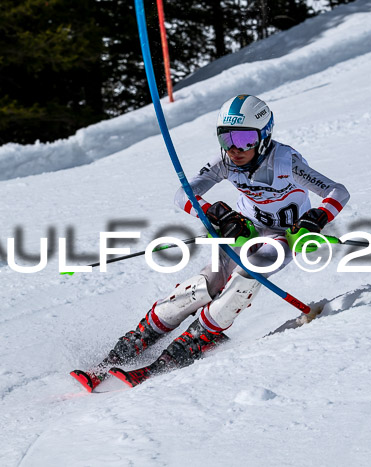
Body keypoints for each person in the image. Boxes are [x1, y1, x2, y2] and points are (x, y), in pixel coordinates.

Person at [72, 94, 349, 390]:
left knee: (248, 273)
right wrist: (216, 212)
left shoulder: (286, 161)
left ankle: (197, 340)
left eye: (244, 139)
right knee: (206, 284)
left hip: (284, 235)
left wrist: (316, 217)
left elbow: (338, 191)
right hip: (243, 228)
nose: (235, 148)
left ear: (264, 136)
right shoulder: (225, 162)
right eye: (227, 138)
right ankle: (125, 350)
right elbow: (183, 194)